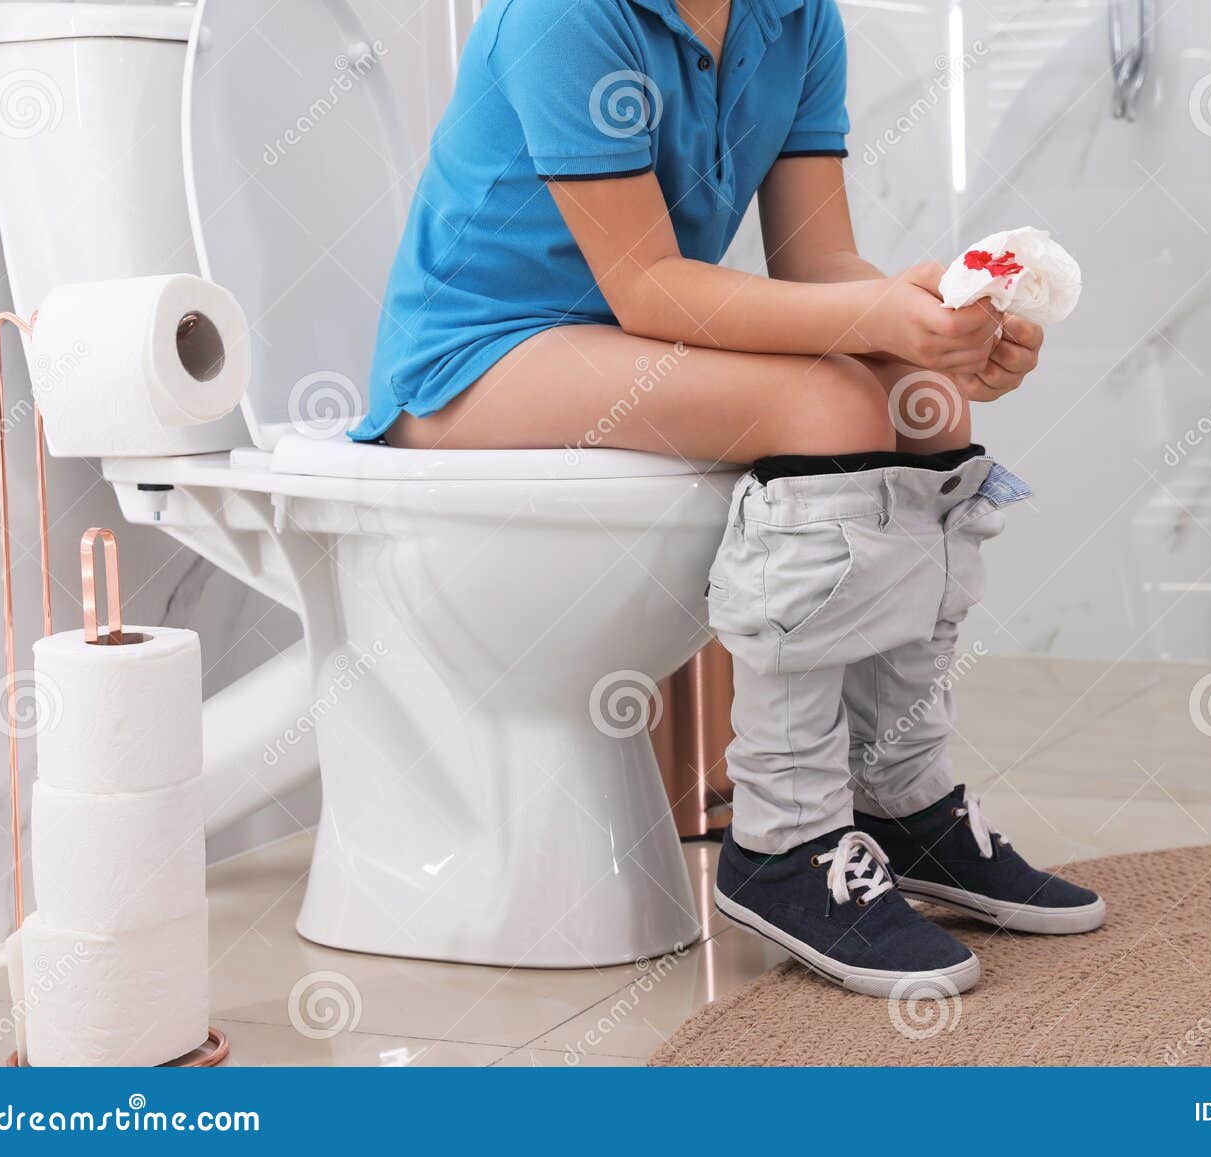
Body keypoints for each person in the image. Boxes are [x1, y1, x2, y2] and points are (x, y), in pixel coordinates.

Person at [358, 0, 1105, 996]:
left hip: (639, 337)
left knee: (925, 407)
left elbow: (817, 262)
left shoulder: (796, 17)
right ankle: (784, 840)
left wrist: (932, 325)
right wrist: (873, 321)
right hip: (481, 349)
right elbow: (651, 288)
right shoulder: (566, 13)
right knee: (826, 403)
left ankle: (899, 799)